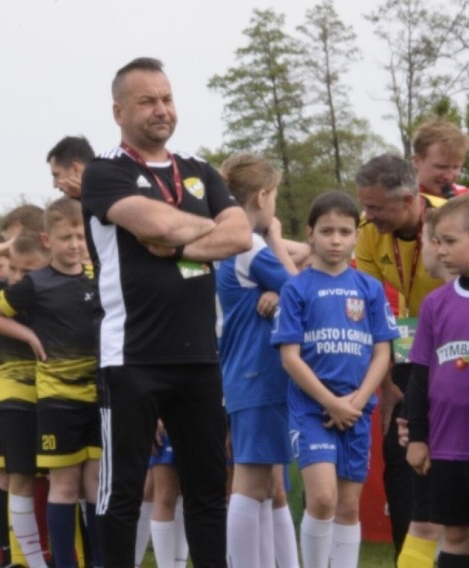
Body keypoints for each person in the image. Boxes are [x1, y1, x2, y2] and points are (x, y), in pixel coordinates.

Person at [81, 56, 251, 567]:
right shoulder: (105, 171)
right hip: (132, 355)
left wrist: (180, 246)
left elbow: (240, 235)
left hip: (199, 354)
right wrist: (200, 231)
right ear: (119, 110)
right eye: (147, 101)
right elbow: (155, 224)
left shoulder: (199, 170)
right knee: (123, 492)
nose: (161, 109)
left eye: (167, 98)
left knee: (206, 490)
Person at [272, 190, 398, 568]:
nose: (336, 239)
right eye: (327, 231)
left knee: (347, 506)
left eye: (344, 231)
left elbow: (382, 352)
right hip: (314, 410)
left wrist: (356, 402)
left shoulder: (369, 288)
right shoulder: (296, 288)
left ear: (355, 236)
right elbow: (289, 358)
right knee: (323, 499)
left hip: (356, 411)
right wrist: (330, 402)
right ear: (310, 234)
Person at [0, 197, 101, 568]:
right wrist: (29, 335)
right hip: (56, 400)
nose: (75, 244)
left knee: (95, 485)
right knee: (64, 485)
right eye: (66, 237)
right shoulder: (36, 283)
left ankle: (98, 561)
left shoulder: (99, 273)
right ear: (48, 240)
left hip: (98, 396)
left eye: (80, 236)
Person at [353, 154, 447, 560]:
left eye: (376, 207)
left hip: (459, 352)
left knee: (452, 460)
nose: (369, 215)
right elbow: (374, 310)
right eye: (366, 206)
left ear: (410, 200)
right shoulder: (368, 231)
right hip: (405, 355)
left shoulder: (454, 220)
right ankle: (405, 555)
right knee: (401, 455)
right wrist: (387, 383)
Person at [215, 153, 298, 568]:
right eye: (275, 199)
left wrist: (278, 292)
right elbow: (303, 294)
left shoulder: (224, 242)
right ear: (262, 196)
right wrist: (278, 237)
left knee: (268, 485)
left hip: (244, 374)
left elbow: (288, 291)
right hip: (257, 374)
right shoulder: (250, 243)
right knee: (248, 483)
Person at [404, 193, 469, 568]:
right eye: (437, 241)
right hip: (447, 443)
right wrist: (418, 437)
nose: (440, 250)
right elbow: (420, 374)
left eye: (450, 241)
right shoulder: (436, 303)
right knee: (454, 534)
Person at [411, 119, 469, 199]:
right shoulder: (401, 201)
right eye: (441, 167)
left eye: (456, 167)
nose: (449, 177)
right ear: (417, 162)